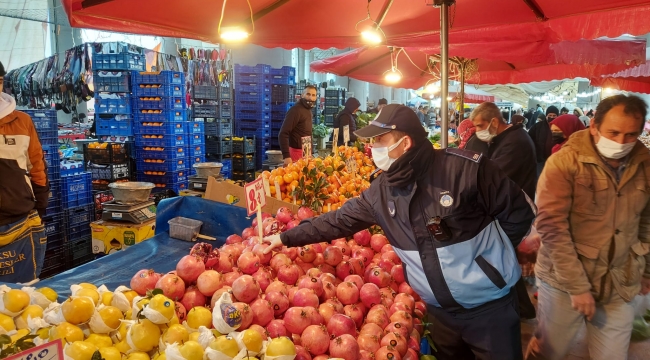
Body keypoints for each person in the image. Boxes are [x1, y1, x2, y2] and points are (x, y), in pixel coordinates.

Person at [264, 104, 536, 360]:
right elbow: (337, 220)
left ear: (404, 143)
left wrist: (490, 261)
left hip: (490, 310)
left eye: (380, 140)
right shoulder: (381, 192)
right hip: (440, 315)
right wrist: (284, 237)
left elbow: (520, 212)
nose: (372, 147)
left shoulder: (466, 170)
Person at [526, 94, 650, 360]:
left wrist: (647, 269)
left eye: (631, 135)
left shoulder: (645, 163)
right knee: (549, 352)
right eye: (613, 132)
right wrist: (578, 286)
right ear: (593, 126)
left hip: (620, 279)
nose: (621, 142)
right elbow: (552, 227)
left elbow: (647, 221)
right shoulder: (564, 162)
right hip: (562, 281)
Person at [464, 102, 538, 319]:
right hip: (507, 209)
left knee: (500, 260)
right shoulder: (505, 139)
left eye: (480, 126)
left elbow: (492, 176)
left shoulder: (515, 142)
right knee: (502, 259)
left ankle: (519, 308)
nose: (478, 131)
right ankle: (519, 307)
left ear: (494, 122)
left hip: (512, 211)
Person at [0, 60, 49, 282]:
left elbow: (36, 165)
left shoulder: (22, 121)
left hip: (20, 221)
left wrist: (40, 205)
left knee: (22, 297)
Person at [279, 85, 317, 165]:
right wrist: (286, 156)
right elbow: (283, 134)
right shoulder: (295, 110)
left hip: (306, 154)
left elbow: (307, 133)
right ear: (302, 95)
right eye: (308, 94)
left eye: (313, 95)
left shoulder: (308, 111)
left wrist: (311, 152)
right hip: (296, 154)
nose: (310, 98)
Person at [528, 105, 559, 177]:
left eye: (554, 115)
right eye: (550, 115)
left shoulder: (561, 127)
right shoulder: (537, 126)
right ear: (546, 116)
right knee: (541, 178)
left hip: (556, 160)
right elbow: (530, 139)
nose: (552, 117)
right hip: (540, 159)